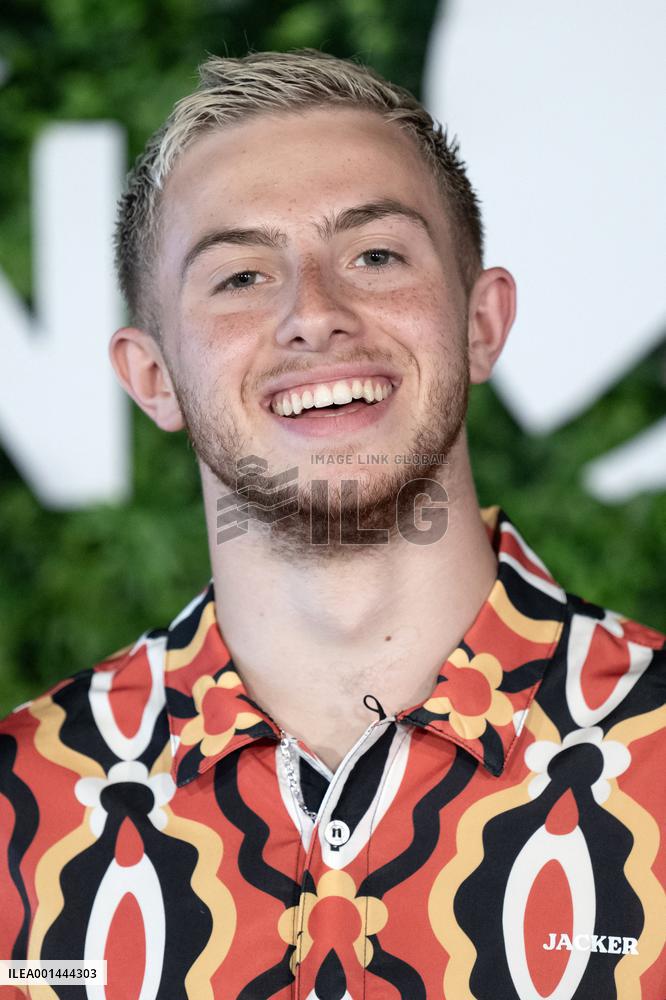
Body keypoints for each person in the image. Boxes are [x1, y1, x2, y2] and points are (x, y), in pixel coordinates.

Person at [0, 49, 664, 1000]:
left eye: (375, 255)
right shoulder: (15, 813)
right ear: (152, 378)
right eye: (239, 276)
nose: (315, 313)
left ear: (482, 323)